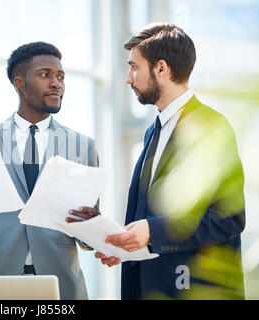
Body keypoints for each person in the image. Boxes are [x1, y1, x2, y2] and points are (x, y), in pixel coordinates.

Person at [69, 24, 246, 299]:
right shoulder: (155, 129)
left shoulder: (211, 127)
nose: (129, 79)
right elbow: (153, 217)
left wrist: (152, 231)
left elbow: (229, 219)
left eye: (134, 67)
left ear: (161, 69)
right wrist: (126, 244)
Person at [0, 42, 99, 300]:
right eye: (45, 75)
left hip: (62, 286)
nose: (56, 83)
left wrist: (91, 226)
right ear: (19, 83)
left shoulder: (83, 147)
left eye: (60, 76)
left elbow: (88, 238)